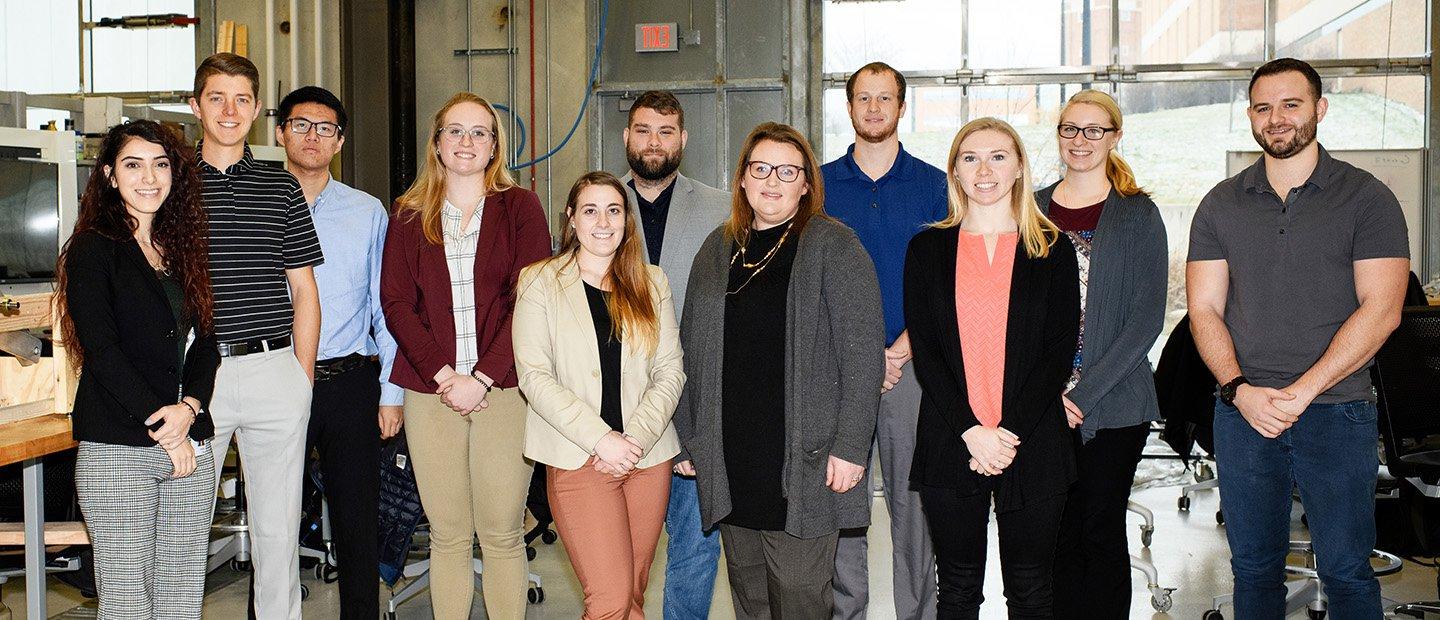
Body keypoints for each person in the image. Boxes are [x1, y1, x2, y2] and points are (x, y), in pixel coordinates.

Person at [1187, 57, 1409, 618]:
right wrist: (1239, 389)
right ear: (1250, 117)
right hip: (1245, 414)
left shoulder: (1368, 198)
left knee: (1346, 571)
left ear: (1320, 109)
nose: (1276, 118)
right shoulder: (1220, 203)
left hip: (1337, 411)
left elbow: (1382, 310)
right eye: (1263, 107)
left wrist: (1304, 390)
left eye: (1292, 104)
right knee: (1253, 570)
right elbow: (1203, 308)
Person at [674, 122, 884, 619]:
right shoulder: (716, 249)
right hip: (732, 459)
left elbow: (863, 354)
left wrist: (851, 447)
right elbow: (688, 350)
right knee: (750, 599)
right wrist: (688, 438)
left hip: (805, 460)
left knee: (799, 595)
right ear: (743, 179)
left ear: (806, 184)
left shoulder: (835, 245)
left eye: (787, 172)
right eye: (760, 168)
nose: (772, 181)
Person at [380, 91, 552, 619]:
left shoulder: (520, 207)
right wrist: (444, 376)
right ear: (436, 143)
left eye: (480, 132)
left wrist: (480, 376)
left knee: (501, 533)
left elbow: (531, 296)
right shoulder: (410, 213)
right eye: (455, 130)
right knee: (449, 535)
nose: (467, 142)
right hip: (431, 391)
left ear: (495, 146)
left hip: (503, 389)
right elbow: (396, 303)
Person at [904, 117, 1080, 618]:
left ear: (1019, 167)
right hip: (950, 437)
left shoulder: (1052, 248)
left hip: (1032, 440)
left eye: (998, 156)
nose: (985, 169)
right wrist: (971, 431)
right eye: (970, 158)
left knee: (1030, 591)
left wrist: (1005, 435)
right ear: (954, 173)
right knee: (957, 590)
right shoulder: (927, 249)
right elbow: (929, 352)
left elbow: (1056, 352)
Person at [58, 119, 219, 620]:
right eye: (133, 164)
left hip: (190, 438)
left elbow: (207, 344)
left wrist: (189, 410)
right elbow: (102, 351)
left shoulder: (184, 248)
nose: (149, 177)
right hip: (118, 447)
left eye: (160, 164)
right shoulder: (92, 249)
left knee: (181, 590)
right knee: (126, 596)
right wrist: (165, 428)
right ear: (109, 175)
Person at [514, 171, 685, 619]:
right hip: (578, 458)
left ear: (627, 220)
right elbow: (534, 377)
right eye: (590, 210)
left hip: (646, 460)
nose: (603, 221)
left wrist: (634, 443)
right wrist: (601, 439)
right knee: (609, 600)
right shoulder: (538, 283)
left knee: (631, 596)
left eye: (614, 210)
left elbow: (670, 371)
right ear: (571, 219)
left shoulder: (652, 282)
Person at [190, 52, 324, 619]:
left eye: (242, 99)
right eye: (217, 97)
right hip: (197, 379)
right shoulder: (170, 184)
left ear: (257, 110)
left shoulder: (280, 186)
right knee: (185, 527)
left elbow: (305, 291)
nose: (229, 110)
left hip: (275, 371)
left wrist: (302, 377)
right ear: (195, 106)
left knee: (276, 531)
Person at [819, 61, 946, 620]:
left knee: (913, 508)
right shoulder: (817, 186)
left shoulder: (934, 186)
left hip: (912, 369)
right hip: (838, 371)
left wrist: (897, 352)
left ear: (901, 107)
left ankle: (916, 613)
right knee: (840, 498)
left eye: (885, 98)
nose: (874, 108)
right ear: (849, 108)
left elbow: (948, 283)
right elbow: (811, 282)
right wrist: (863, 357)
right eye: (863, 98)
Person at [1034, 89, 1168, 616]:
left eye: (1094, 130)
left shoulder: (1138, 214)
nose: (1081, 141)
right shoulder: (1033, 207)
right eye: (1071, 128)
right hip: (1041, 404)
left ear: (1115, 136)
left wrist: (1082, 395)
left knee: (1099, 527)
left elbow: (1144, 322)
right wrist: (1044, 394)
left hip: (1114, 404)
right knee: (1055, 535)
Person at [275, 85, 401, 619]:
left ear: (340, 141)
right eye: (300, 124)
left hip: (349, 381)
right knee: (274, 521)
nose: (312, 136)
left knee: (357, 523)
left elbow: (385, 306)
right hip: (273, 377)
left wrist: (391, 392)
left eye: (324, 128)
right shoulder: (256, 204)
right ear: (280, 133)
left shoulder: (366, 211)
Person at [615, 90, 731, 619]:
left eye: (665, 132)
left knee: (694, 545)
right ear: (626, 137)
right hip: (613, 402)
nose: (653, 142)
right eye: (643, 130)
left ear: (683, 139)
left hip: (696, 400)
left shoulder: (721, 208)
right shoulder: (598, 203)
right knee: (619, 549)